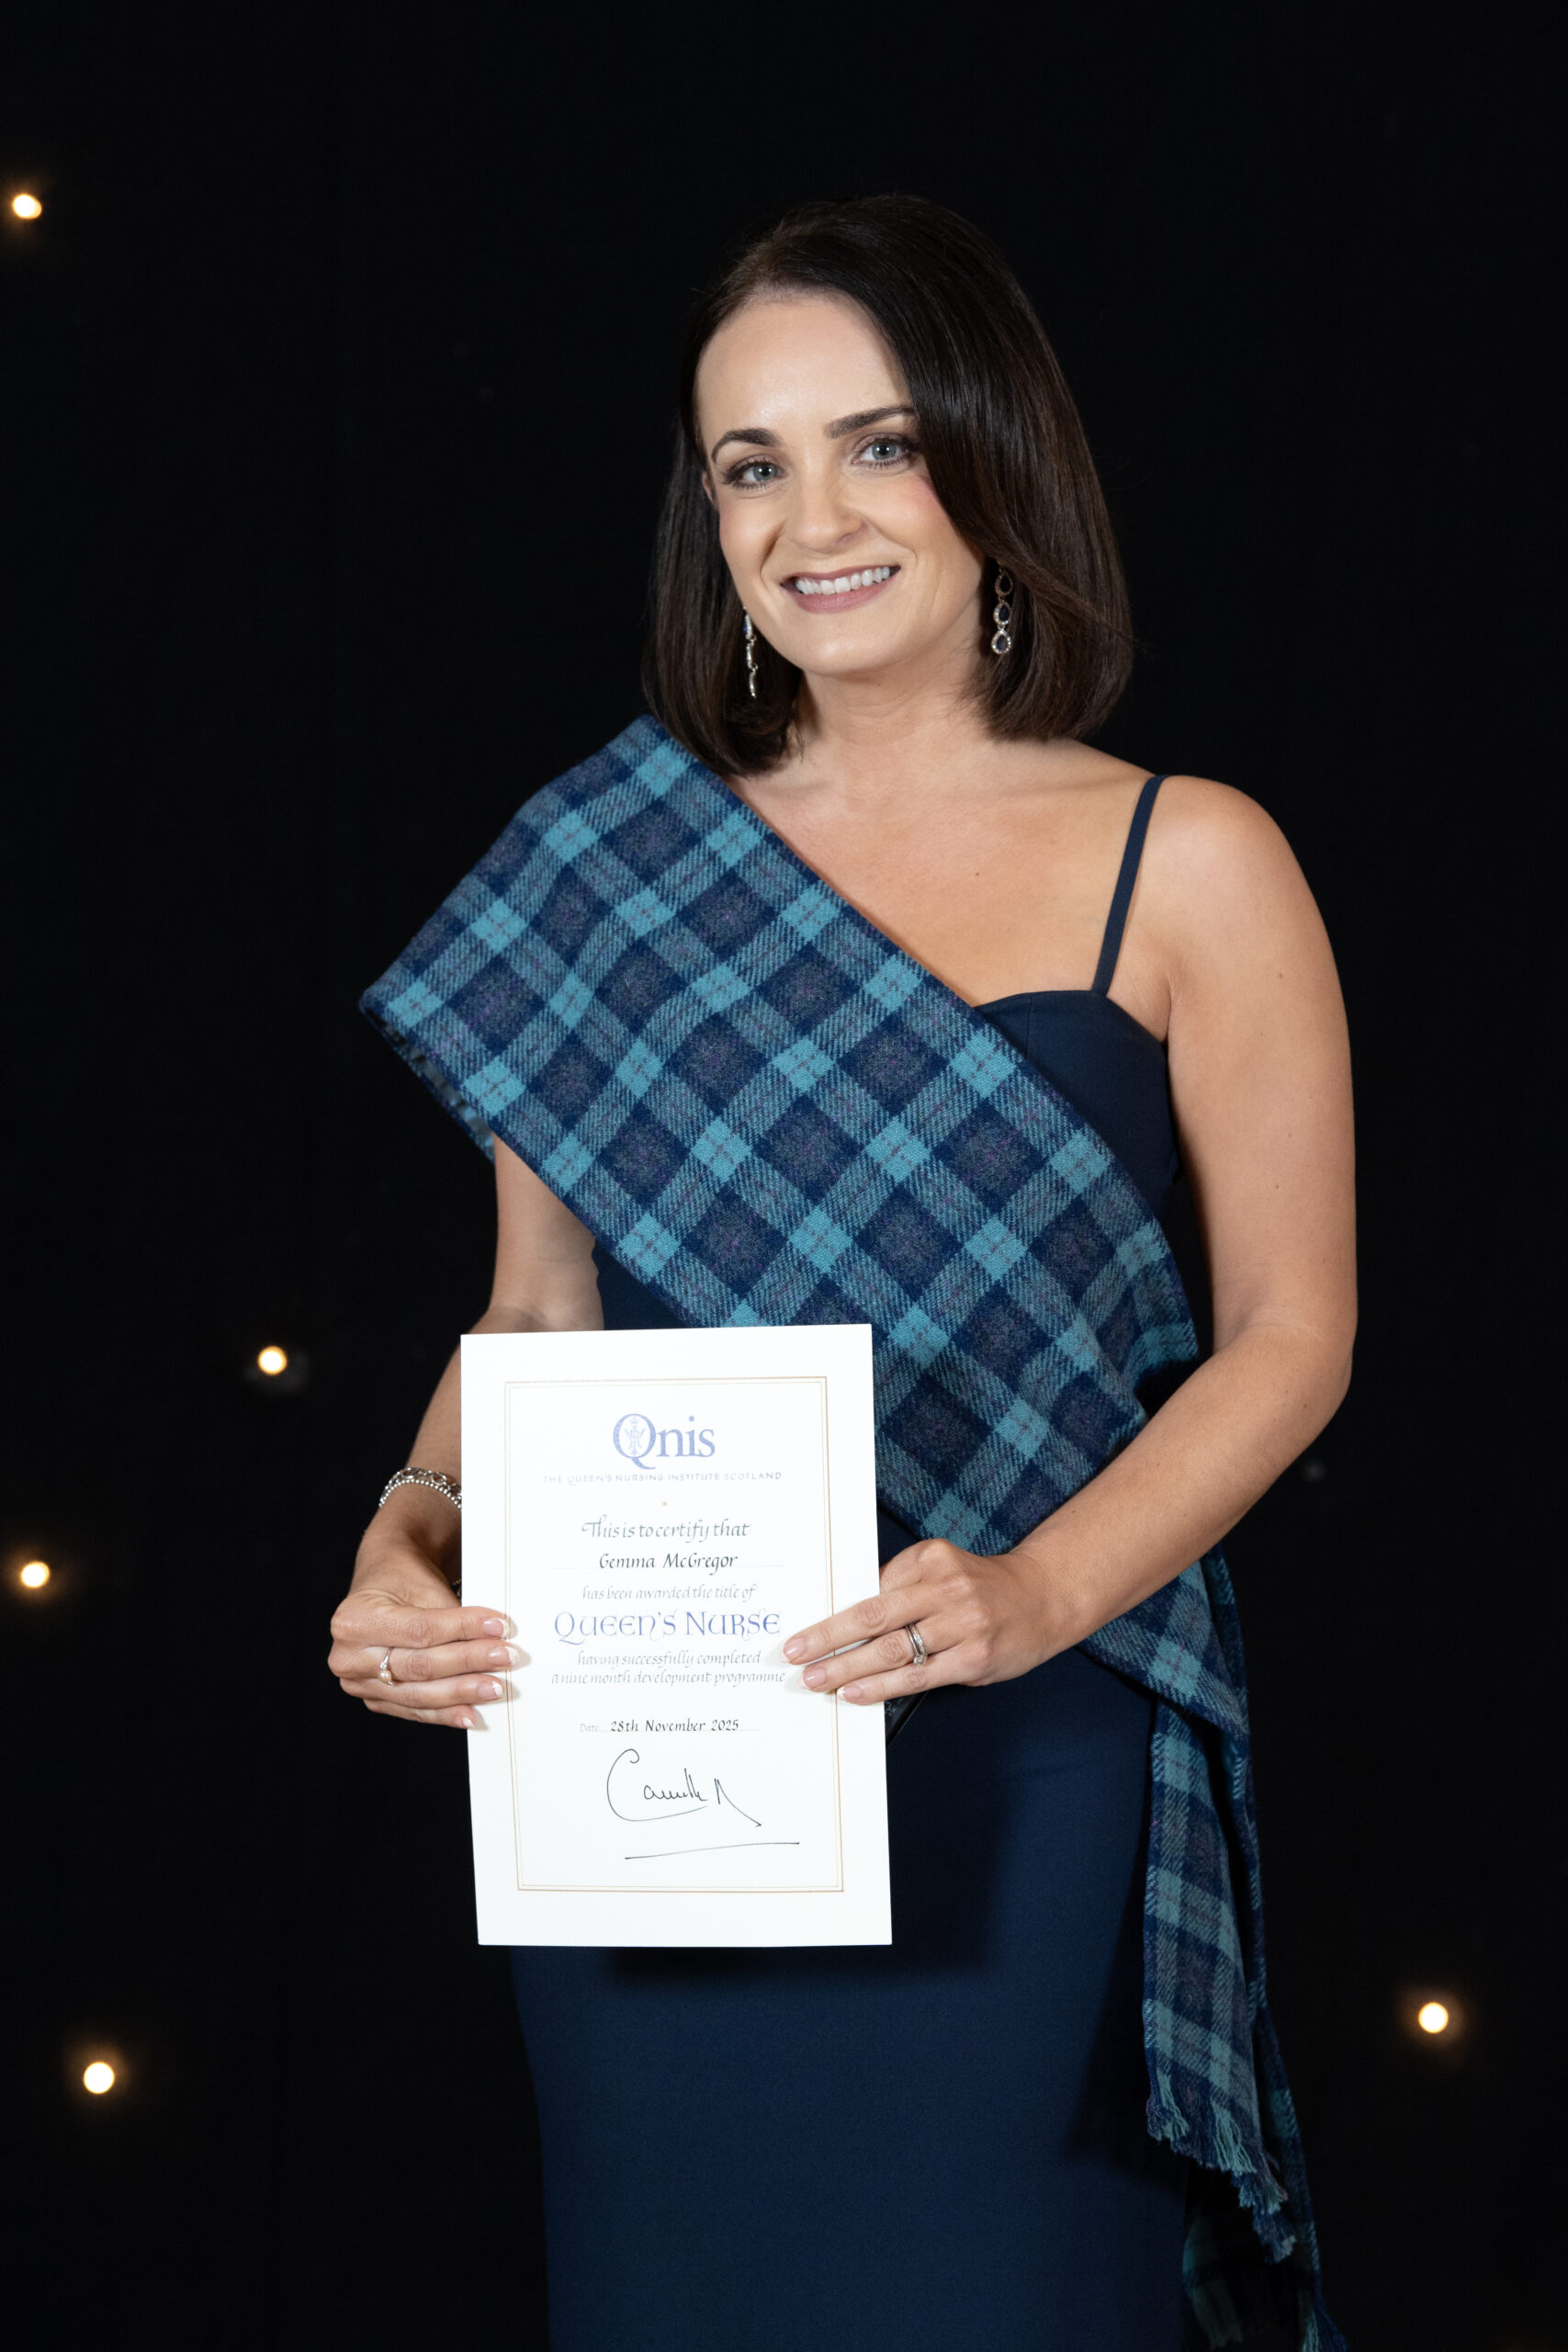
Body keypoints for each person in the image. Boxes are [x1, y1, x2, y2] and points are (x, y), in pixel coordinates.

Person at [329, 196, 1354, 2351]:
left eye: (877, 444)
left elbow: (1291, 1336)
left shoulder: (1190, 855)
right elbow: (535, 1317)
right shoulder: (609, 869)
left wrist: (1035, 1594)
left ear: (991, 453)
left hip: (1024, 1738)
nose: (810, 521)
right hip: (653, 1757)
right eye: (749, 465)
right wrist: (408, 1534)